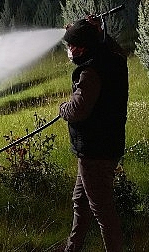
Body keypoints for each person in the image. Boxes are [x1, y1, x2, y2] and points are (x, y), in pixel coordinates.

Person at [59, 16, 128, 252]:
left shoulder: (90, 72)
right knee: (81, 201)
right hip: (106, 145)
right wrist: (100, 32)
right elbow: (115, 49)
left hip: (95, 151)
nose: (69, 50)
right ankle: (72, 247)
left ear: (84, 47)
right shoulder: (112, 59)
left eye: (72, 45)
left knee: (102, 211)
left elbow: (78, 110)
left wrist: (62, 110)